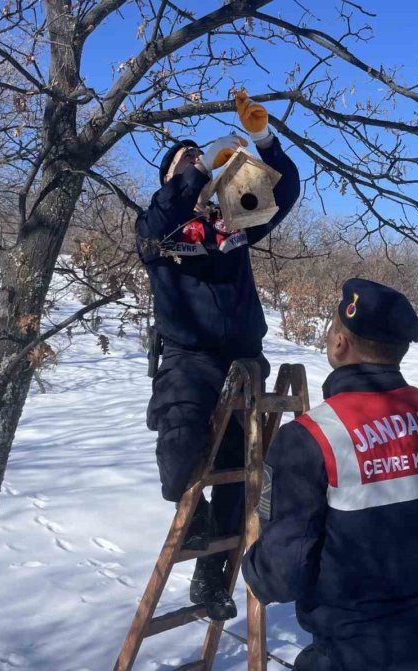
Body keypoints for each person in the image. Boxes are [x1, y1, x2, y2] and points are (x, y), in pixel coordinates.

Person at [242, 278, 418, 671]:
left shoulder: (312, 438)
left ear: (339, 343)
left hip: (352, 655)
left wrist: (255, 569)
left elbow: (283, 573)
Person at [136, 90, 300, 620]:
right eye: (183, 164)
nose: (196, 166)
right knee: (179, 456)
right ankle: (194, 516)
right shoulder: (158, 228)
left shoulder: (233, 224)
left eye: (199, 160)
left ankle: (212, 580)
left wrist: (262, 139)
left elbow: (282, 192)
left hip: (243, 360)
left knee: (239, 474)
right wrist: (194, 165)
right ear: (170, 181)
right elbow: (153, 229)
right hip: (188, 359)